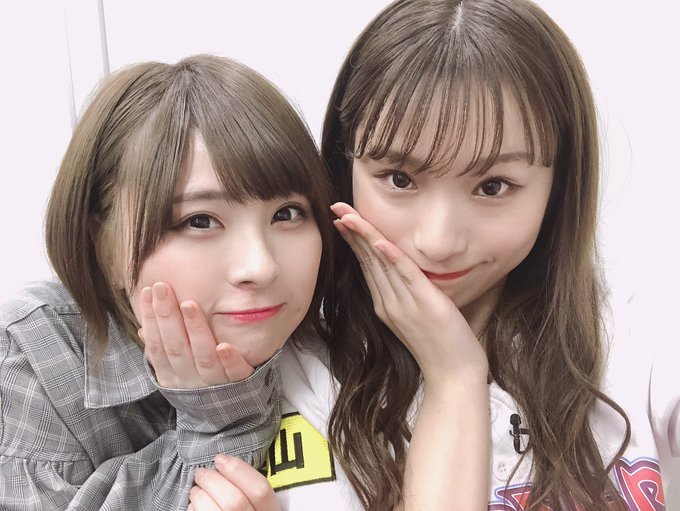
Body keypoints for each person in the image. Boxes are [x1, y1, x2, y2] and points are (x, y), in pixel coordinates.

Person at [190, 0, 679, 510]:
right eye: (399, 179)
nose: (439, 241)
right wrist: (455, 375)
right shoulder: (293, 371)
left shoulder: (638, 339)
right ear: (344, 166)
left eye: (493, 186)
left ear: (558, 187)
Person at [0, 54, 335, 510]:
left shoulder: (335, 347)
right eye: (200, 221)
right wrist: (220, 426)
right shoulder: (31, 359)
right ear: (105, 246)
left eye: (287, 213)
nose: (260, 267)